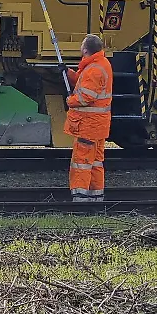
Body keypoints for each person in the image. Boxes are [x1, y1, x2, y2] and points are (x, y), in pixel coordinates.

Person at [62, 34, 112, 202]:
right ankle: (96, 196)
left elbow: (85, 97)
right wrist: (68, 72)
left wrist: (70, 101)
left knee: (82, 161)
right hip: (98, 125)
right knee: (96, 162)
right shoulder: (100, 64)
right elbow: (84, 82)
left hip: (88, 125)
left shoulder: (94, 69)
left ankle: (80, 197)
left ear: (85, 50)